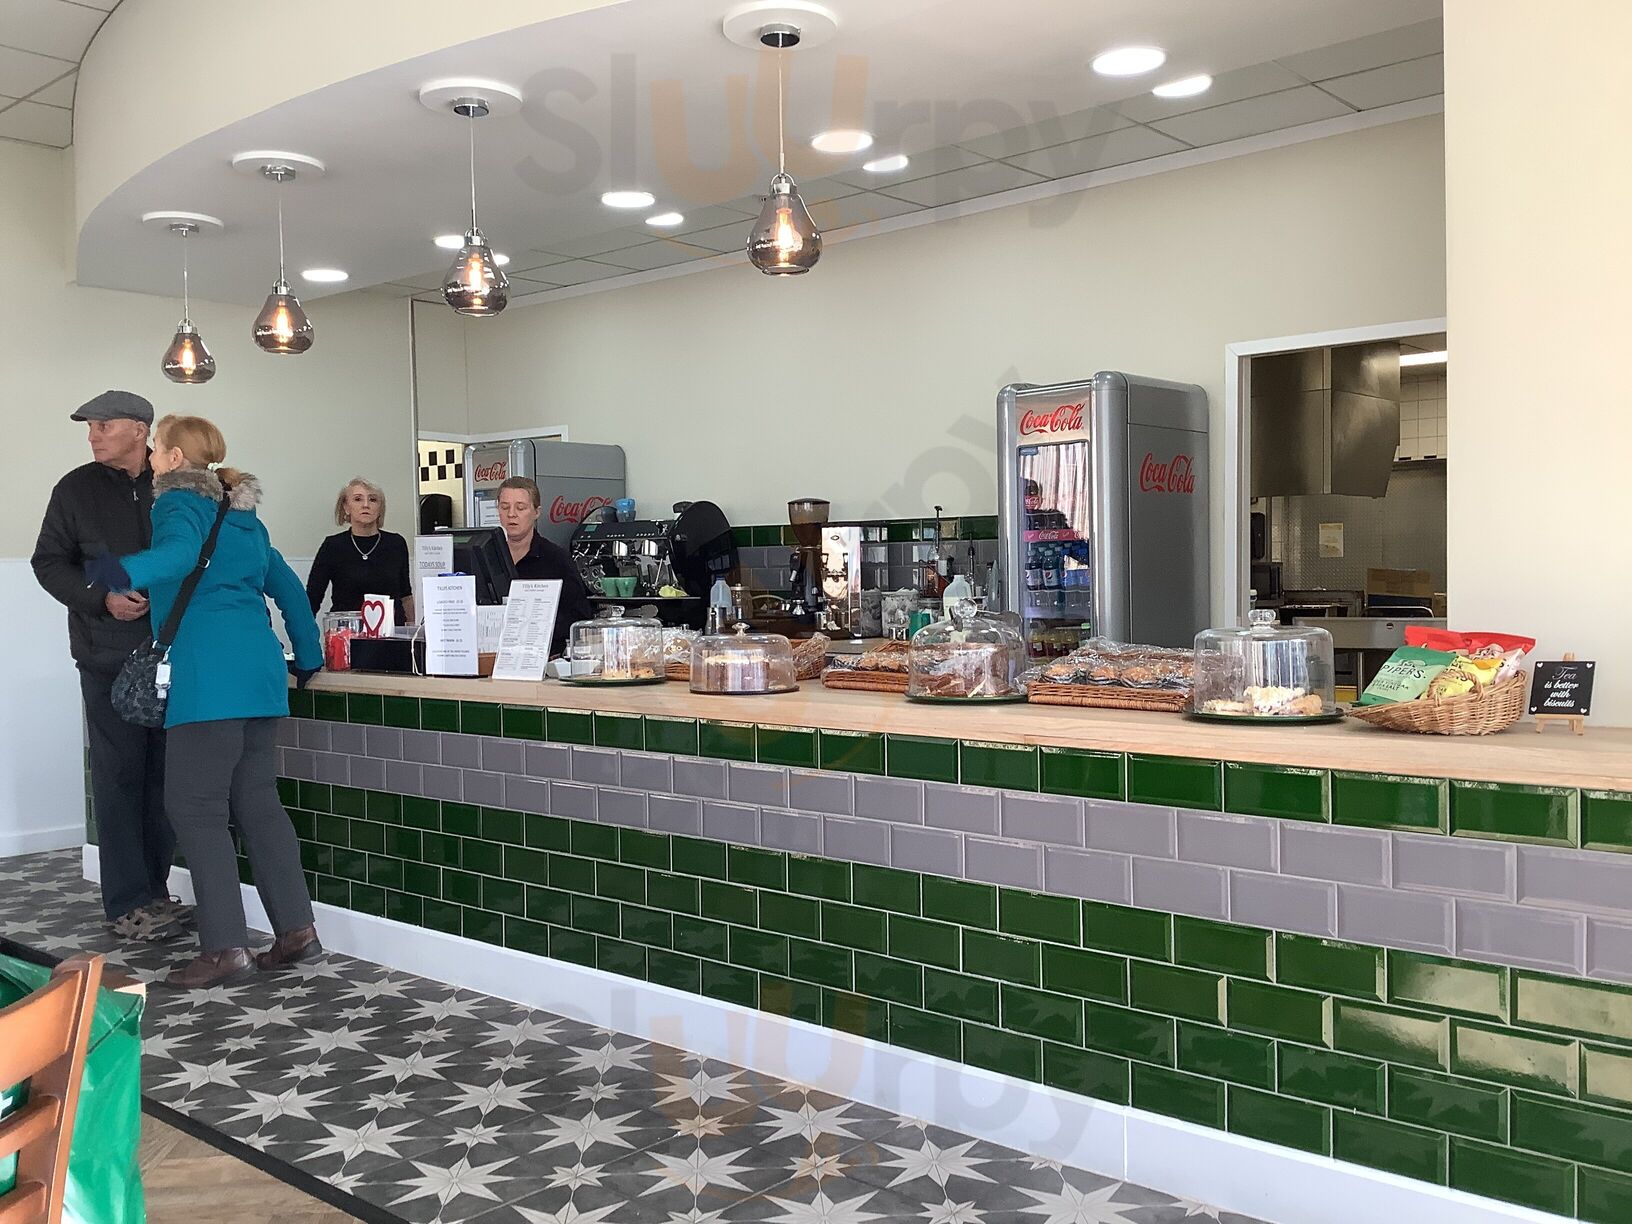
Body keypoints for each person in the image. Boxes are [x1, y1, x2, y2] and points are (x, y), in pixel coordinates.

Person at [86, 414, 325, 989]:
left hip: (207, 679)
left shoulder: (176, 504)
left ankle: (225, 949)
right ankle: (297, 933)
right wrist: (308, 654)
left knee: (194, 807)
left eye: (157, 448)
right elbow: (288, 588)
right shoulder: (244, 517)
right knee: (259, 804)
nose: (152, 457)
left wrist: (107, 571)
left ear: (172, 458)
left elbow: (175, 556)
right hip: (260, 676)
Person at [31, 390, 187, 942]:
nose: (93, 435)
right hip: (106, 657)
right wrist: (106, 596)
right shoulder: (75, 489)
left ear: (141, 430)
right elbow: (51, 562)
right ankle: (127, 903)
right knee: (118, 779)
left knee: (165, 781)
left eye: (103, 425)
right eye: (90, 427)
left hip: (175, 655)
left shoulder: (177, 485)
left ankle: (156, 892)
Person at [496, 476, 594, 655]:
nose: (511, 514)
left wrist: (538, 625)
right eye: (504, 507)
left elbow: (580, 618)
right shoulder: (488, 556)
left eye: (520, 507)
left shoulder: (557, 558)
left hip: (545, 657)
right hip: (493, 655)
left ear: (536, 512)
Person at [305, 477, 415, 624]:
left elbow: (406, 595)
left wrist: (413, 630)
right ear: (346, 507)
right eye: (358, 499)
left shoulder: (396, 543)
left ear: (380, 508)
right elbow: (313, 596)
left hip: (392, 631)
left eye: (373, 500)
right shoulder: (332, 546)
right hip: (346, 631)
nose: (366, 505)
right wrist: (304, 634)